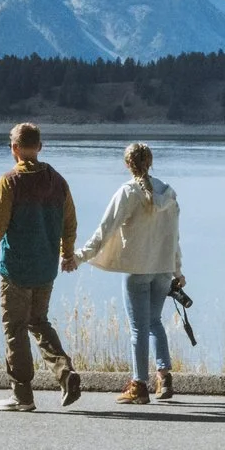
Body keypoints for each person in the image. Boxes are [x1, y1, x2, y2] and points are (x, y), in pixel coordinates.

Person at [0, 121, 82, 412]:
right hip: (45, 269)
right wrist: (66, 253)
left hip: (16, 270)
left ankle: (22, 395)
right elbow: (69, 222)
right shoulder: (58, 181)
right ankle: (64, 372)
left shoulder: (9, 182)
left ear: (15, 149)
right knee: (38, 321)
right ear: (40, 147)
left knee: (15, 328)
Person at [78, 141, 183, 404]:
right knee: (154, 322)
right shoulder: (168, 193)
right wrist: (177, 270)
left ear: (128, 164)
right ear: (150, 162)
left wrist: (79, 256)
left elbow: (105, 231)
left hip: (138, 270)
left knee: (138, 328)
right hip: (162, 269)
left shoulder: (128, 192)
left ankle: (139, 385)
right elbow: (174, 237)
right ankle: (164, 376)